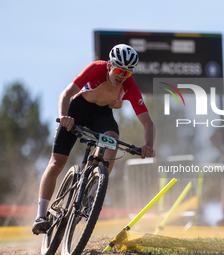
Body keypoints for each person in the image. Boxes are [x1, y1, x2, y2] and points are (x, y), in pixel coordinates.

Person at [32, 44, 155, 235]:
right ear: (110, 65)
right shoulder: (96, 68)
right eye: (119, 70)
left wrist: (148, 146)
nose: (122, 76)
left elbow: (148, 122)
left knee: (112, 139)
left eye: (127, 74)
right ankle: (41, 215)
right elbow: (66, 94)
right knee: (57, 163)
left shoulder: (129, 86)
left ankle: (92, 195)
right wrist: (64, 116)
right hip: (77, 111)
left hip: (101, 116)